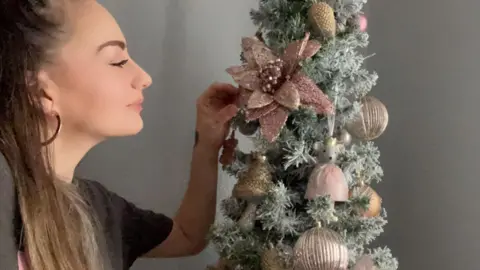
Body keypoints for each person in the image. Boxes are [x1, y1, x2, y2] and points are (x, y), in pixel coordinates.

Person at [0, 0, 239, 269]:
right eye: (117, 61)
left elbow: (187, 236)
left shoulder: (99, 210)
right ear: (41, 93)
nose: (144, 77)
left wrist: (207, 145)